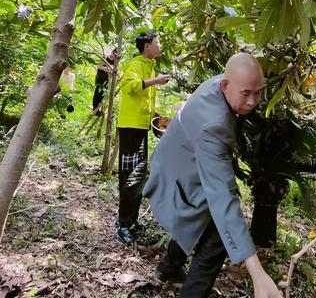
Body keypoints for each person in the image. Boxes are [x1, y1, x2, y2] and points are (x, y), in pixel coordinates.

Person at [143, 53, 283, 298]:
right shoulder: (214, 125)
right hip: (176, 176)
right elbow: (224, 201)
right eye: (246, 93)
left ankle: (168, 269)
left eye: (258, 92)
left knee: (202, 216)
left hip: (182, 162)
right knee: (218, 234)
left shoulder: (220, 84)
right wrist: (258, 275)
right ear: (226, 86)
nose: (253, 102)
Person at [115, 32, 171, 246]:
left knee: (138, 175)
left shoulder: (149, 65)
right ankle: (122, 226)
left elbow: (140, 98)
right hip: (130, 128)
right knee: (130, 177)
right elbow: (129, 86)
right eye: (157, 43)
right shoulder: (135, 64)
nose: (160, 46)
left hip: (139, 128)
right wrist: (156, 81)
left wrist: (154, 114)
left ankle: (131, 221)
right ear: (146, 47)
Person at [92, 48, 118, 115]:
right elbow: (98, 66)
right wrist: (106, 69)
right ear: (112, 52)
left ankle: (99, 110)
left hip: (107, 81)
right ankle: (95, 109)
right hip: (100, 79)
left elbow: (116, 71)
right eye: (113, 54)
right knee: (97, 94)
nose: (113, 56)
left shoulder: (115, 61)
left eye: (115, 56)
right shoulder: (104, 57)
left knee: (103, 96)